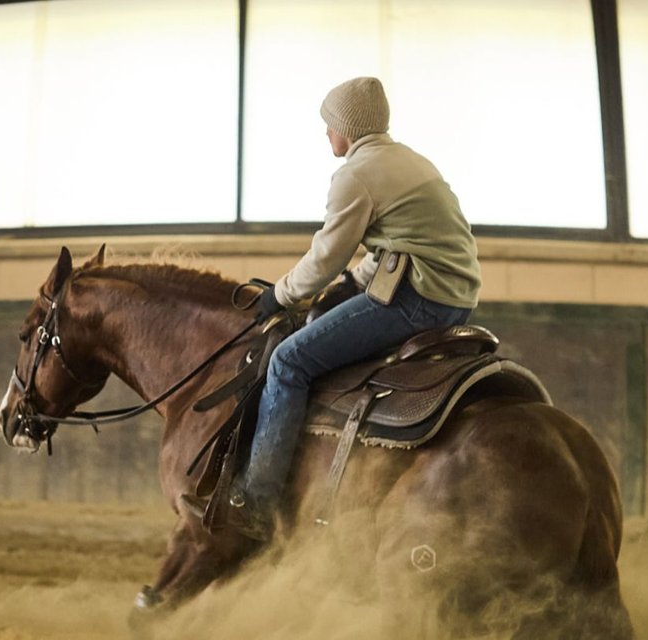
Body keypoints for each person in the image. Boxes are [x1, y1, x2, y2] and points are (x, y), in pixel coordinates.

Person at [185, 76, 482, 540]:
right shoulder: (410, 161)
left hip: (416, 300)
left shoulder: (355, 175)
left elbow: (325, 256)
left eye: (330, 125)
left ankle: (256, 501)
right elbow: (396, 248)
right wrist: (350, 283)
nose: (326, 133)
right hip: (453, 298)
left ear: (349, 127)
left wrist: (278, 295)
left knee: (287, 362)